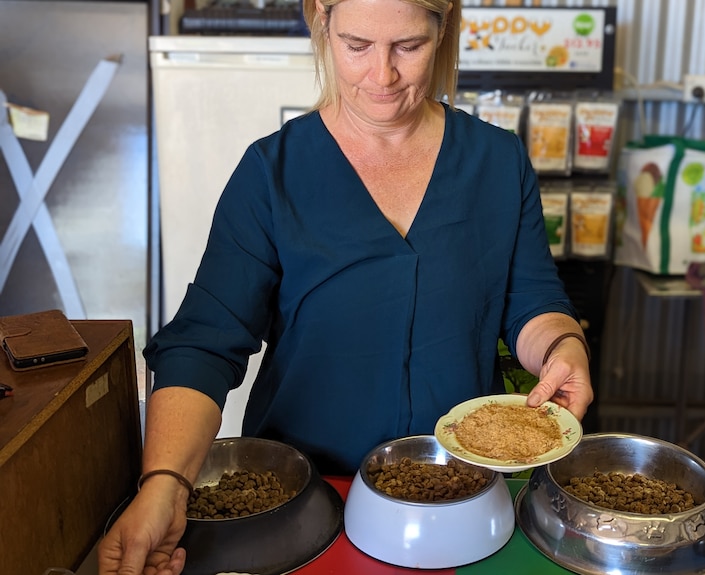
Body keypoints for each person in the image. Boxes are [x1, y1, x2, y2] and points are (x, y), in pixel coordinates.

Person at [98, 0, 592, 571]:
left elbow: (532, 303)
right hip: (301, 499)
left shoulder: (498, 162)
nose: (381, 76)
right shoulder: (271, 172)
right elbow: (203, 343)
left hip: (462, 494)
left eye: (408, 47)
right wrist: (164, 484)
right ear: (320, 20)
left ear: (443, 27)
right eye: (357, 46)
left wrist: (562, 347)